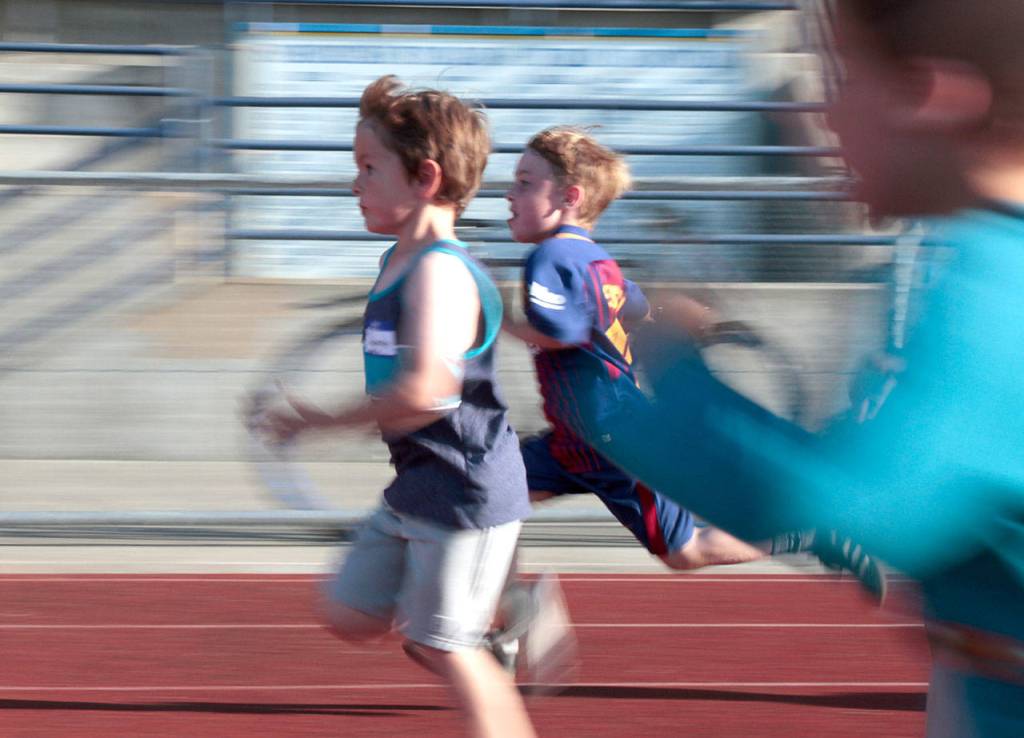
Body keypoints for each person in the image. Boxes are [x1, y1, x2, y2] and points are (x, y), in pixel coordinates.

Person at [573, 3, 1024, 735]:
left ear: (933, 98)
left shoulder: (992, 281)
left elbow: (845, 502)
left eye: (843, 77)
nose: (824, 112)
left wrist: (658, 376)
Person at [490, 127, 882, 670]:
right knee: (487, 496)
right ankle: (516, 614)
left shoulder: (549, 258)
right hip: (575, 436)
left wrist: (496, 318)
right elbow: (635, 309)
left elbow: (562, 332)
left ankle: (805, 534)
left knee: (684, 552)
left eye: (525, 182)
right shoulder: (601, 261)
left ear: (569, 197)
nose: (509, 194)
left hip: (612, 439)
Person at [255, 76, 537, 738]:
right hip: (419, 485)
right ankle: (496, 612)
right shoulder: (396, 260)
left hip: (466, 494)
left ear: (425, 178)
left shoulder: (441, 269)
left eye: (367, 167)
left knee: (443, 646)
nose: (353, 183)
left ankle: (480, 637)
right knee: (349, 611)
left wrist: (314, 420)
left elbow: (424, 392)